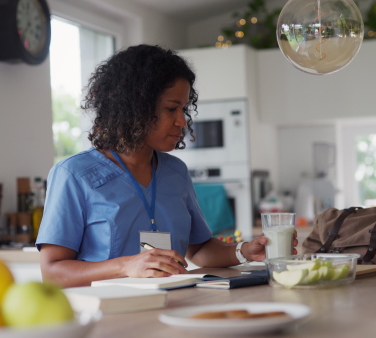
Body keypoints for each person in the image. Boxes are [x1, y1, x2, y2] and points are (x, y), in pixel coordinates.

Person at [36, 44, 297, 288]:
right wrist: (127, 266)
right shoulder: (73, 175)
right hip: (109, 315)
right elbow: (52, 272)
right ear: (135, 108)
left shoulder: (175, 172)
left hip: (174, 304)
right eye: (172, 109)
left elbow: (199, 249)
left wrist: (244, 251)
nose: (182, 122)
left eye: (184, 109)